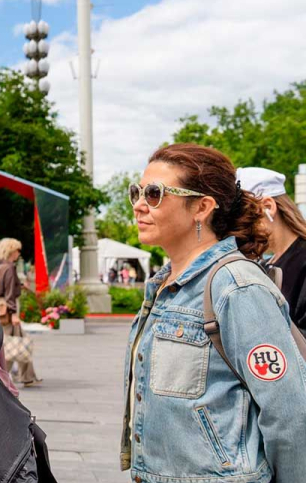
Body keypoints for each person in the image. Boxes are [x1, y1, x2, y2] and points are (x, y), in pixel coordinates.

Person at [121, 143, 306, 480]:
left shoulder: (237, 287)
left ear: (202, 207)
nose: (139, 205)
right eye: (137, 192)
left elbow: (290, 412)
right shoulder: (164, 284)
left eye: (154, 193)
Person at [238, 166, 306, 330]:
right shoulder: (266, 264)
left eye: (242, 217)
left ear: (268, 206)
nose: (237, 230)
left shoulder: (302, 260)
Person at [0, 237, 41, 387]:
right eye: (17, 250)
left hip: (0, 307)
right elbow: (9, 291)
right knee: (11, 344)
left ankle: (28, 376)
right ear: (11, 251)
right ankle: (1, 377)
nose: (19, 253)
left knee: (18, 340)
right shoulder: (9, 268)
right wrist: (13, 313)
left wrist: (18, 285)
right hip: (8, 309)